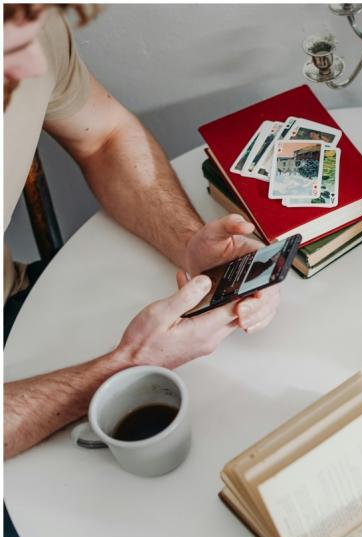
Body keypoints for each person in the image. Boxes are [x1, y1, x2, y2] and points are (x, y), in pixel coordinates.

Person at [3, 4, 281, 461]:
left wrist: (189, 244)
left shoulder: (21, 19)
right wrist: (126, 366)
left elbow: (104, 138)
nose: (37, 64)